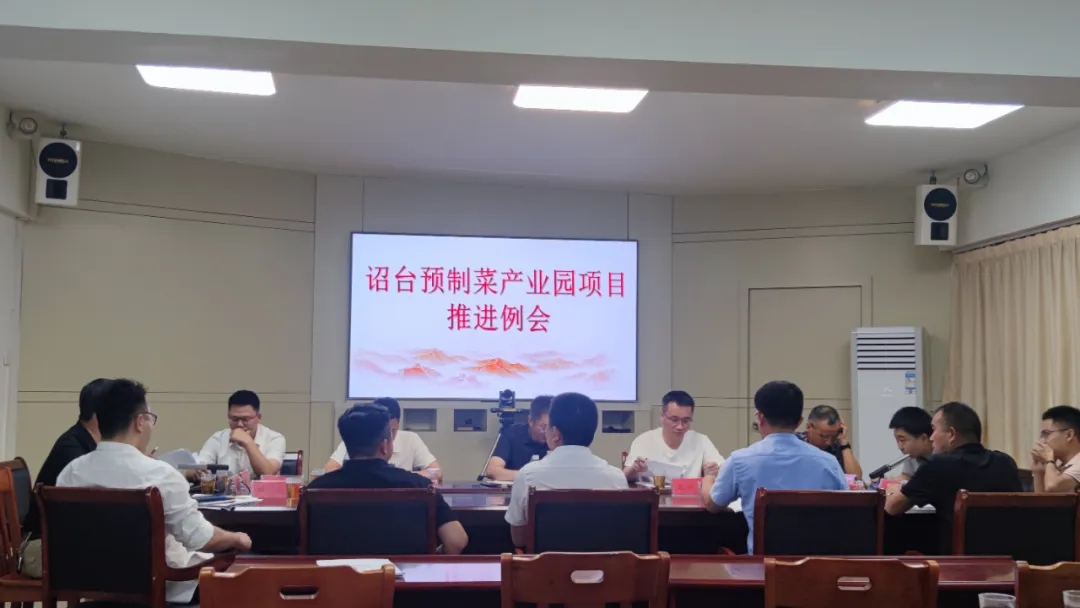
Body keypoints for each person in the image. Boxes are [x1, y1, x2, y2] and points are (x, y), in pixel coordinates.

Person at [57, 379, 251, 604]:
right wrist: (237, 538)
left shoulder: (70, 473)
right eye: (151, 418)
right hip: (160, 589)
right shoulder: (162, 475)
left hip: (91, 587)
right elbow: (201, 538)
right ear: (140, 422)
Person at [707, 381, 847, 553]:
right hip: (817, 565)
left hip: (763, 566)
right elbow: (848, 511)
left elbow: (713, 505)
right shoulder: (829, 463)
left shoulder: (740, 460)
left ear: (760, 418)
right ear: (799, 422)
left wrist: (708, 478)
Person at [309, 403, 467, 554]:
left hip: (336, 573)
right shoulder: (421, 486)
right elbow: (456, 541)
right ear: (384, 446)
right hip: (404, 573)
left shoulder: (316, 488)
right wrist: (430, 559)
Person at [884, 402, 1021, 553]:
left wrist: (892, 490)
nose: (931, 438)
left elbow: (892, 508)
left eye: (934, 430)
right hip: (1007, 558)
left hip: (957, 561)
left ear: (951, 434)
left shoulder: (938, 465)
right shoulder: (1005, 462)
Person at [505, 392, 628, 547]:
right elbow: (621, 534)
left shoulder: (528, 476)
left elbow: (519, 540)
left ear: (555, 434)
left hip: (546, 563)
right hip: (601, 563)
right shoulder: (616, 478)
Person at [20, 378, 110, 578]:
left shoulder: (90, 444)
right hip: (39, 548)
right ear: (99, 414)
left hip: (62, 543)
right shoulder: (72, 448)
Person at [324, 397, 441, 480]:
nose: (387, 436)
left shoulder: (411, 439)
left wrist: (402, 477)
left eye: (391, 431)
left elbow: (436, 471)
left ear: (398, 423)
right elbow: (330, 469)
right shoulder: (357, 438)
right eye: (383, 431)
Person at [623, 390, 724, 485]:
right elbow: (625, 477)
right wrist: (634, 469)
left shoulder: (701, 441)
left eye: (686, 421)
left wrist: (714, 471)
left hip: (689, 496)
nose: (680, 426)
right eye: (674, 420)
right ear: (662, 416)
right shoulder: (644, 441)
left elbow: (723, 470)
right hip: (653, 495)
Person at [195, 390, 285, 478]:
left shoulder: (274, 439)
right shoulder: (218, 438)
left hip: (262, 489)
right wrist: (197, 472)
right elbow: (195, 468)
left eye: (245, 419)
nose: (239, 424)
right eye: (234, 419)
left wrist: (248, 442)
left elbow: (268, 473)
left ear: (258, 418)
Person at [484, 395, 551, 481]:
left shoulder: (560, 438)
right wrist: (531, 476)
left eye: (552, 427)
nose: (548, 432)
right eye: (544, 427)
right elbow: (492, 471)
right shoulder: (513, 434)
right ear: (530, 421)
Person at [796, 404, 863, 479]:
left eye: (834, 436)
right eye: (825, 436)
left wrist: (844, 442)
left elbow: (856, 478)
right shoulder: (795, 443)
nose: (829, 442)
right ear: (809, 427)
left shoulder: (837, 445)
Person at [1031, 405, 1080, 493]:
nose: (1042, 441)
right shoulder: (1061, 468)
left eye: (1046, 434)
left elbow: (1052, 487)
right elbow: (1042, 500)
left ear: (1069, 435)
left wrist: (1049, 460)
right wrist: (1039, 472)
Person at [888, 406, 934, 480]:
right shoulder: (911, 454)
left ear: (924, 438)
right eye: (897, 440)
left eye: (902, 440)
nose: (900, 447)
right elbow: (907, 476)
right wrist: (884, 483)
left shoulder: (943, 455)